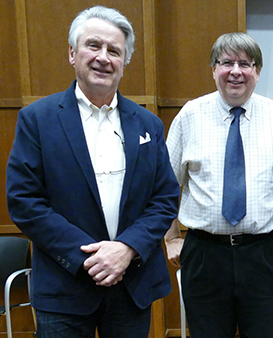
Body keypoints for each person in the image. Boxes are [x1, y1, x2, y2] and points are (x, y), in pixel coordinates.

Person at [5, 6, 180, 338]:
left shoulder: (148, 125)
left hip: (132, 285)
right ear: (72, 54)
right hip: (64, 287)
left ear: (124, 62)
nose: (103, 57)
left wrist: (126, 248)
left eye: (114, 50)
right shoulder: (37, 120)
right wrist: (89, 256)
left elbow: (165, 199)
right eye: (93, 45)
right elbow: (24, 201)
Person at [164, 32, 273, 338]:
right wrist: (172, 237)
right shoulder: (190, 116)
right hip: (205, 254)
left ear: (257, 71)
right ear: (213, 69)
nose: (235, 71)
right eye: (227, 62)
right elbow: (164, 184)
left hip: (264, 254)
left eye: (245, 63)